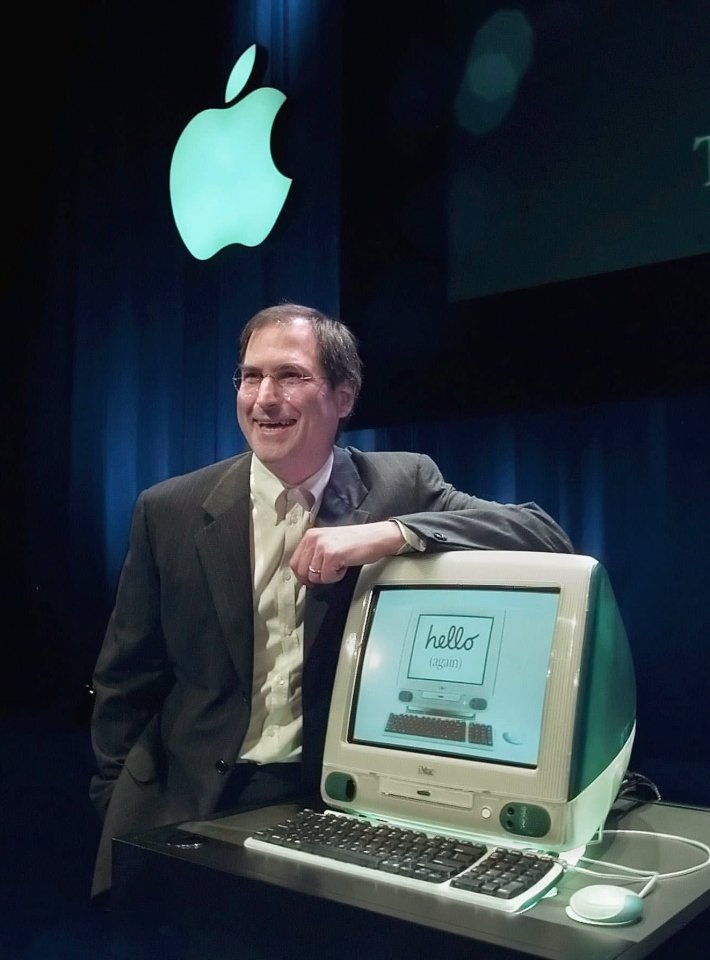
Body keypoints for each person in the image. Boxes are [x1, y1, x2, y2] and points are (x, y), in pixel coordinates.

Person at [89, 302, 574, 900]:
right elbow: (125, 678)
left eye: (290, 376)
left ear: (344, 397)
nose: (264, 397)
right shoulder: (168, 510)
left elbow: (543, 533)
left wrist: (394, 534)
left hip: (323, 800)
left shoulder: (401, 484)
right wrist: (115, 793)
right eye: (249, 376)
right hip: (182, 794)